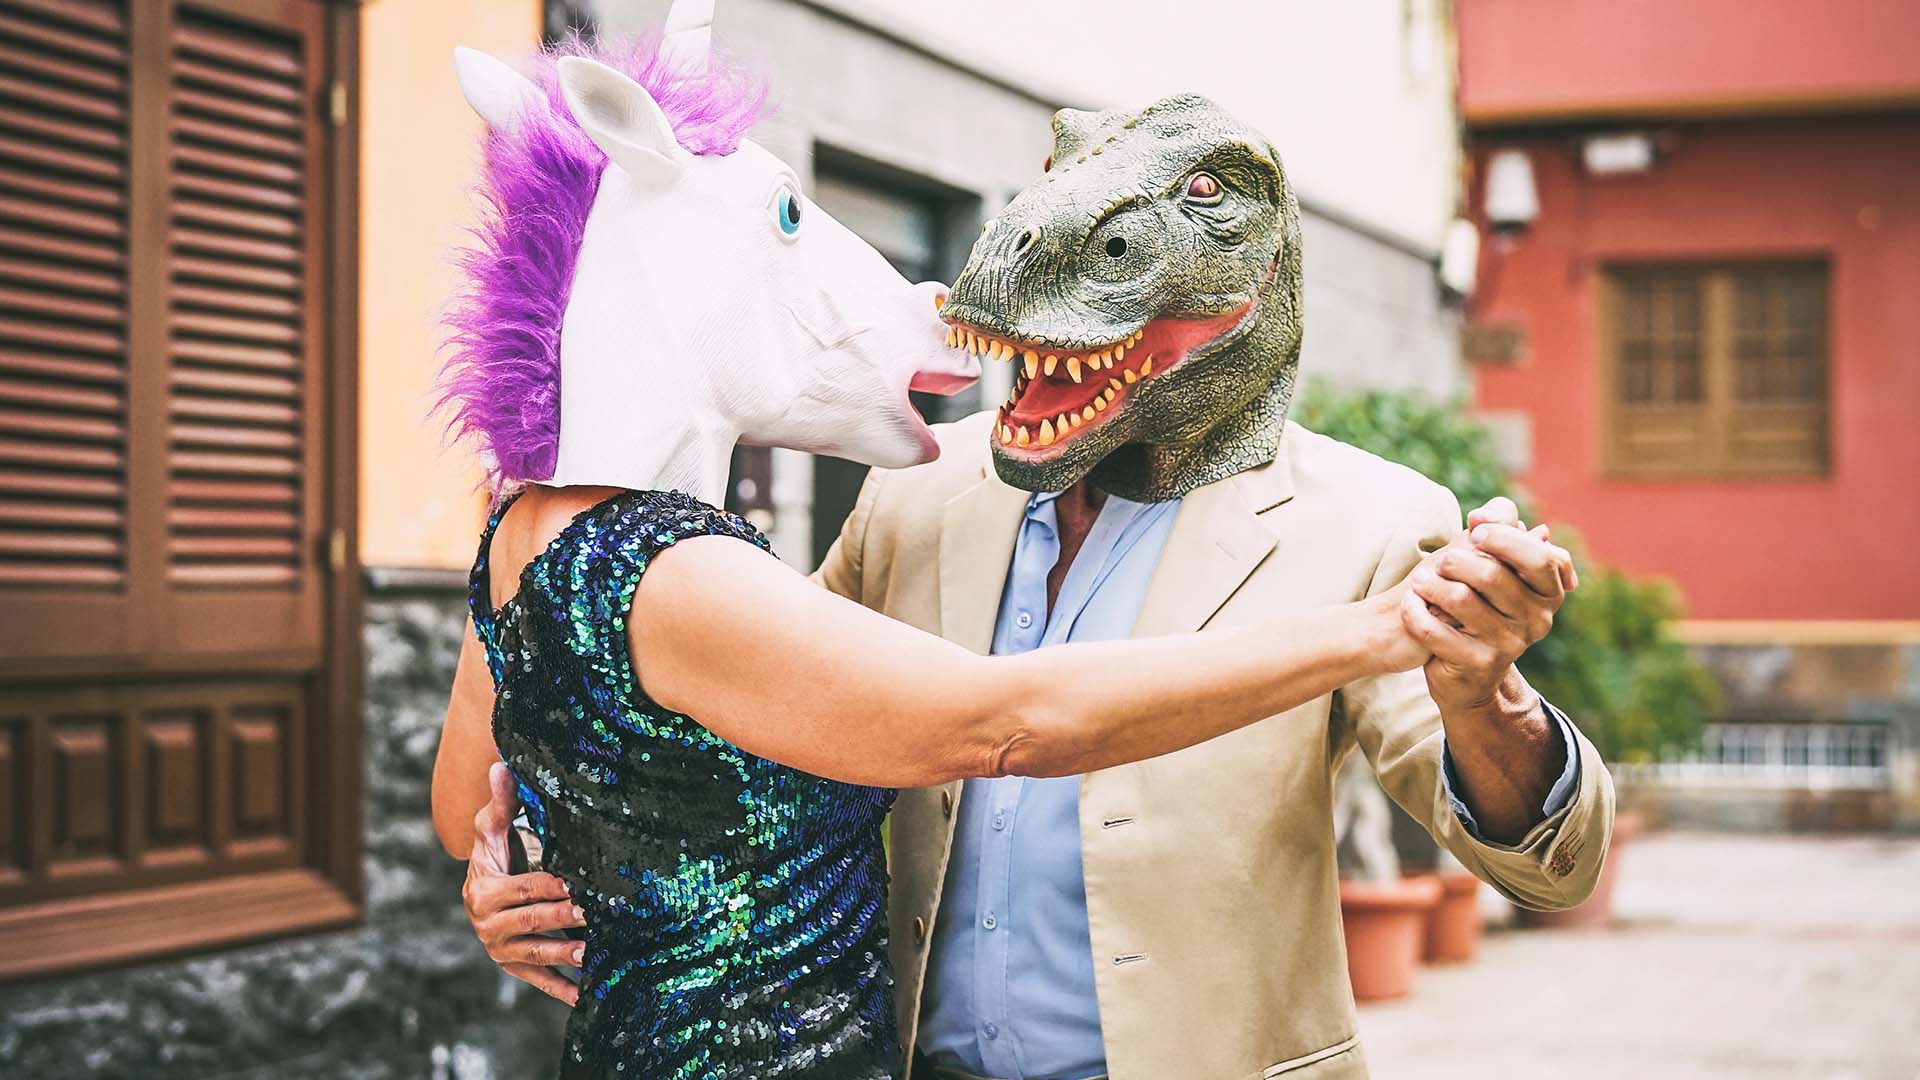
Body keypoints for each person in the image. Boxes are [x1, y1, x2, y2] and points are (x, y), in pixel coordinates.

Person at [428, 19, 1560, 1080]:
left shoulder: (1373, 518)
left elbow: (593, 765)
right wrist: (1374, 631)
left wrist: (1484, 694)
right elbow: (984, 719)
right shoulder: (854, 514)